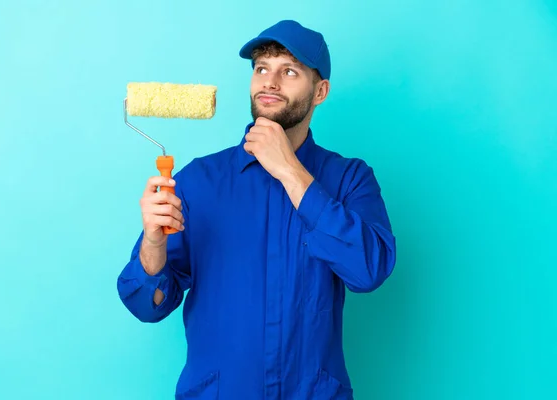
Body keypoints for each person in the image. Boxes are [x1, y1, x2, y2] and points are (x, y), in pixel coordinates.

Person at [117, 19, 396, 400]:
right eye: (261, 68)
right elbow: (145, 305)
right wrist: (153, 242)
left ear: (320, 91)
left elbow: (369, 271)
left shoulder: (350, 179)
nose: (270, 82)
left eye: (289, 71)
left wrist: (292, 172)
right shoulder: (199, 181)